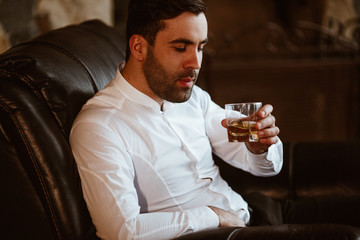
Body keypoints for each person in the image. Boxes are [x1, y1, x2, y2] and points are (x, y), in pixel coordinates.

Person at [69, 0, 283, 239]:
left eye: (200, 47)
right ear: (139, 48)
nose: (196, 63)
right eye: (181, 48)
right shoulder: (101, 127)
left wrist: (258, 147)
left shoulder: (192, 97)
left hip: (259, 215)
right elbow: (121, 231)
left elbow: (264, 168)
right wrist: (214, 216)